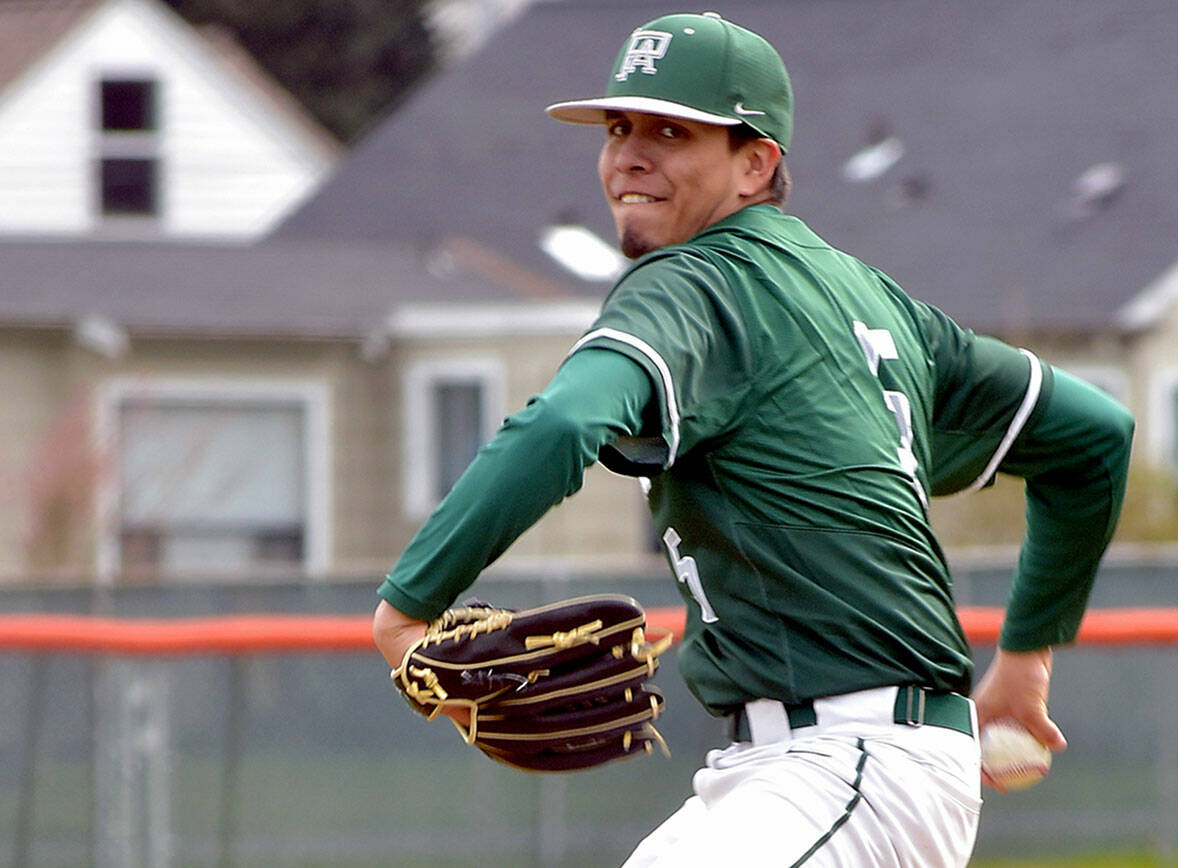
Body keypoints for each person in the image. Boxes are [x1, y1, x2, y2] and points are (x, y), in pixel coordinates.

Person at [373, 11, 1133, 867]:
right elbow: (1092, 436)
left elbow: (561, 422)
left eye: (671, 130)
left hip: (849, 768)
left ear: (756, 162)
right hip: (797, 770)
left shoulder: (696, 284)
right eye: (620, 127)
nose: (629, 154)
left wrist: (408, 610)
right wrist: (1027, 658)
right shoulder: (874, 300)